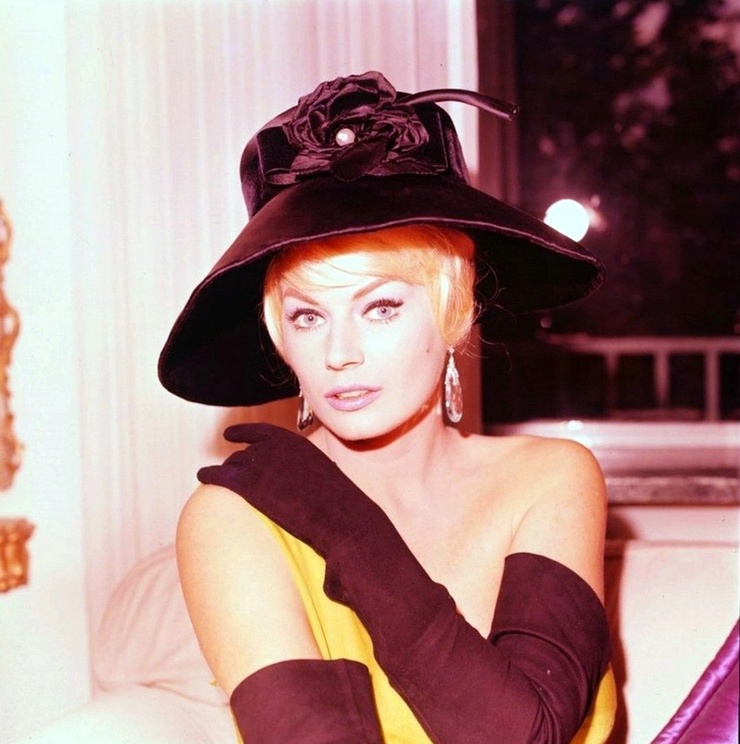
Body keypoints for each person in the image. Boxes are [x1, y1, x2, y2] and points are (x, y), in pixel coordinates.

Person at [158, 71, 617, 743]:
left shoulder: (549, 477)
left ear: (454, 312)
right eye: (308, 316)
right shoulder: (231, 519)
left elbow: (526, 734)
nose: (339, 353)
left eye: (380, 307)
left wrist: (345, 526)